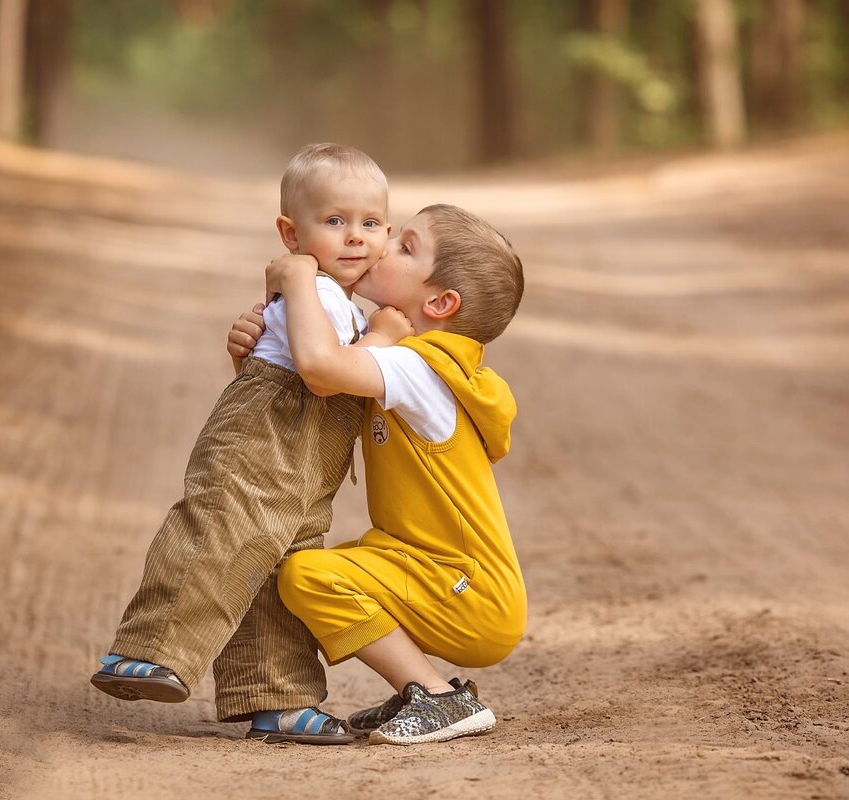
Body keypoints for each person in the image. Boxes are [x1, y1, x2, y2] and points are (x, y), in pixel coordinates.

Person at [91, 143, 411, 745]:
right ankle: (151, 648)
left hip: (309, 459)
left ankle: (279, 698)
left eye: (369, 224)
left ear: (386, 231)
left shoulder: (336, 298)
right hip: (267, 435)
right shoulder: (308, 286)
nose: (354, 238)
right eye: (334, 221)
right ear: (291, 233)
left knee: (280, 568)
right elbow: (323, 369)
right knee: (222, 531)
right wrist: (384, 338)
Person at [246, 203, 527, 745]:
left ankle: (439, 698)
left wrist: (298, 276)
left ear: (440, 303)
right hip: (437, 574)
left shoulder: (420, 367)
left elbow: (323, 368)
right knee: (322, 566)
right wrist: (252, 352)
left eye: (405, 247)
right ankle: (417, 692)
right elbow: (310, 386)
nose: (382, 242)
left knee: (308, 575)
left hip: (466, 590)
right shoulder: (403, 357)